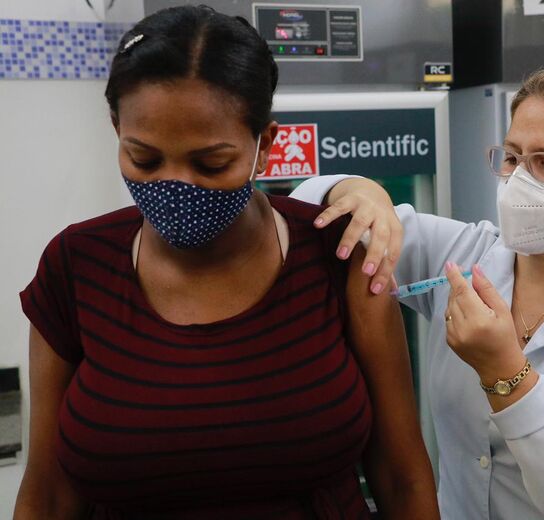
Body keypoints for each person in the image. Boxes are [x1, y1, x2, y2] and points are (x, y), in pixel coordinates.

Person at [14, 6, 438, 519]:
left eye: (211, 163)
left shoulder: (338, 254)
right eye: (144, 158)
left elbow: (403, 477)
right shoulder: (76, 266)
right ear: (116, 129)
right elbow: (47, 492)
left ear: (265, 147)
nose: (176, 185)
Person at [291, 67, 544, 519]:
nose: (520, 181)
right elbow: (306, 210)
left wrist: (507, 375)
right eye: (513, 158)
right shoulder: (461, 253)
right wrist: (361, 190)